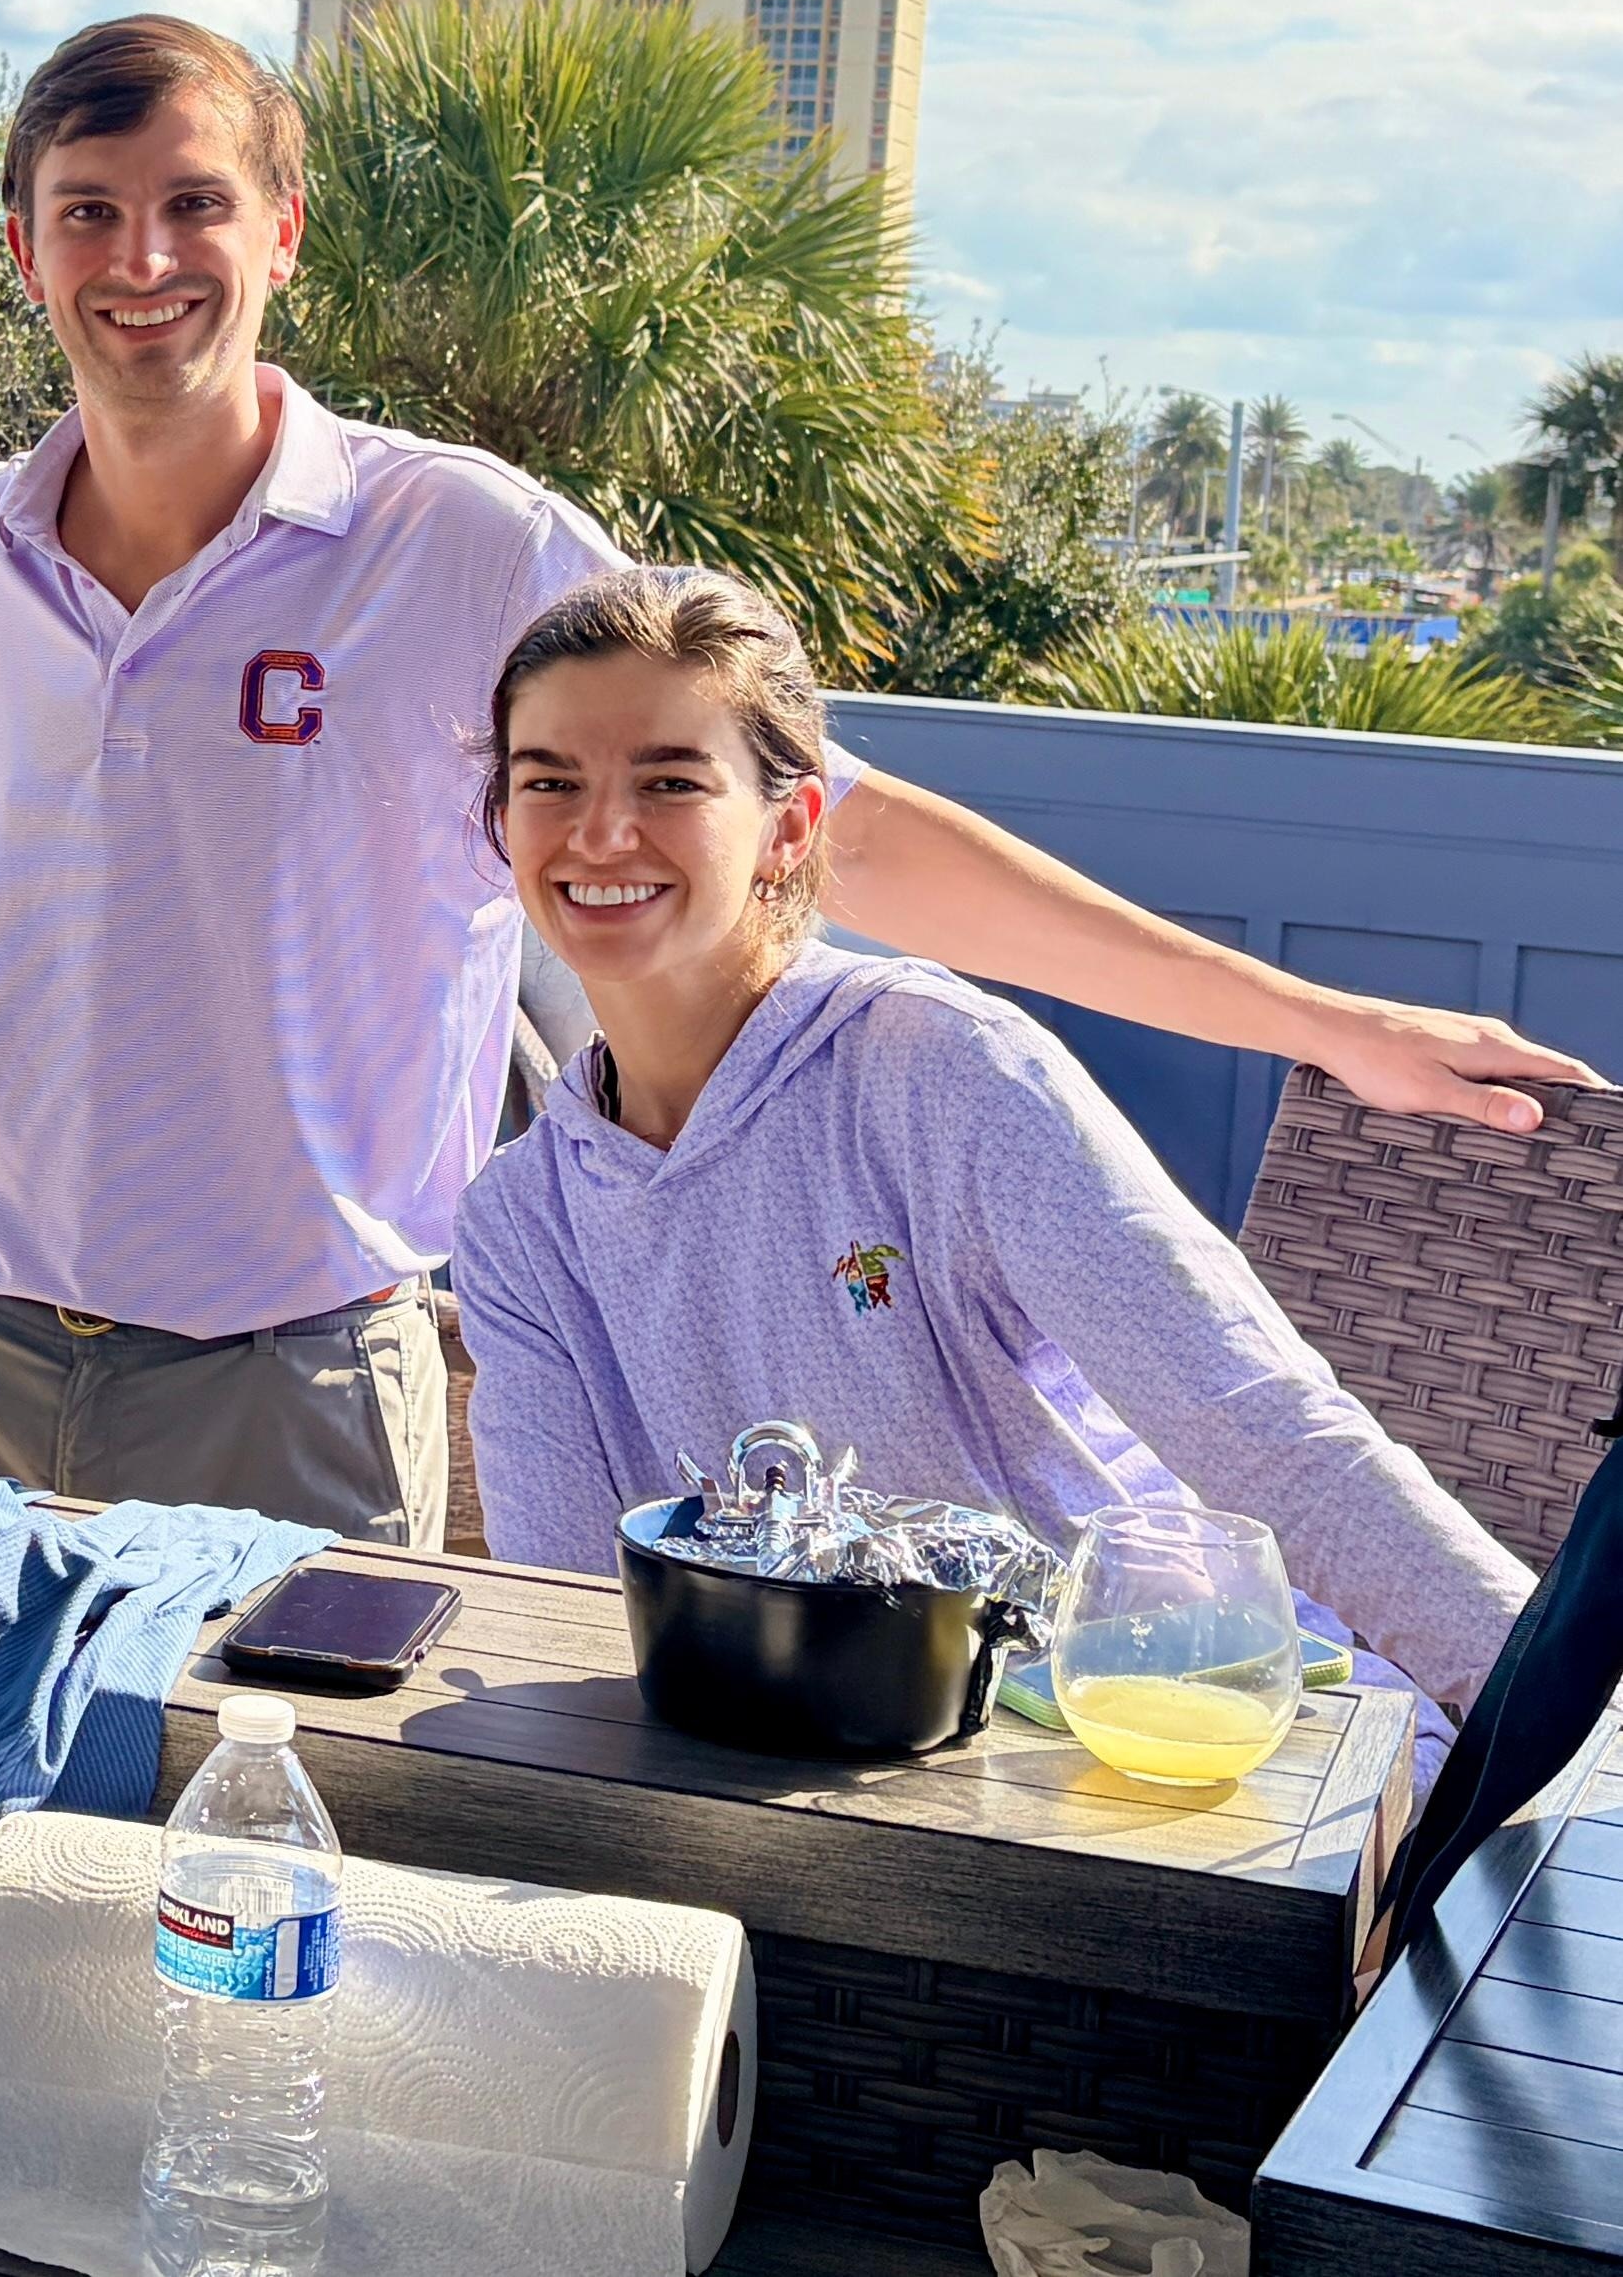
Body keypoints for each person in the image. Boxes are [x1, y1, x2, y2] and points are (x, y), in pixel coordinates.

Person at [0, 13, 1598, 1543]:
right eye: (90, 210)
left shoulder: (463, 551)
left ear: (282, 232)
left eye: (195, 203)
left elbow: (830, 821)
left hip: (285, 1401)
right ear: (23, 245)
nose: (142, 258)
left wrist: (1310, 1019)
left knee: (227, 1925)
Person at [450, 564, 1530, 1723]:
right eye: (548, 782)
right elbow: (561, 1615)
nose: (601, 832)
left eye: (671, 781)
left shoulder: (941, 1072)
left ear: (790, 824)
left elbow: (1259, 1425)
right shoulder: (522, 1222)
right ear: (503, 823)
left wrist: (1562, 1725)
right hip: (797, 1780)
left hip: (1173, 1740)